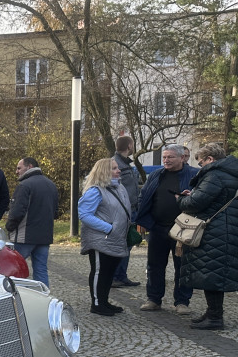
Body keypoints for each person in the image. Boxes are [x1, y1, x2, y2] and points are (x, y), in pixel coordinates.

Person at [176, 143, 238, 330]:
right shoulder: (229, 173)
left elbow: (196, 202)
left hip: (214, 232)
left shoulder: (215, 175)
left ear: (210, 159)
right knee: (213, 273)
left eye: (201, 162)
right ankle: (211, 313)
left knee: (210, 274)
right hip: (226, 229)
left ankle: (215, 317)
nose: (200, 165)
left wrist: (182, 200)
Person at [134, 144, 198, 314]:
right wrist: (147, 219)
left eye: (170, 157)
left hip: (183, 229)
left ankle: (182, 302)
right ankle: (154, 299)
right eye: (164, 157)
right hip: (158, 227)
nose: (166, 160)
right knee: (155, 265)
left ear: (182, 158)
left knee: (183, 266)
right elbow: (144, 196)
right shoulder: (156, 175)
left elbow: (201, 198)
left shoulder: (193, 175)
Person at [78, 157, 130, 316]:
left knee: (109, 272)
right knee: (100, 271)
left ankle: (104, 300)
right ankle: (97, 303)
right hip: (101, 238)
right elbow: (84, 214)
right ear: (104, 171)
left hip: (115, 238)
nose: (118, 170)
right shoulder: (95, 190)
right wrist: (108, 228)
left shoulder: (118, 188)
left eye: (117, 168)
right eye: (114, 168)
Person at [5, 157, 58, 286]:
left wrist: (9, 227)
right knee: (41, 270)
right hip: (44, 237)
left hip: (24, 237)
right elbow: (55, 212)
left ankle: (15, 298)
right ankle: (43, 298)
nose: (17, 171)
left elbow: (17, 212)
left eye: (19, 168)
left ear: (29, 167)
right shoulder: (51, 185)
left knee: (15, 269)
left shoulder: (24, 185)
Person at [111, 134, 142, 288]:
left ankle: (121, 275)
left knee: (127, 244)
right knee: (121, 244)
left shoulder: (125, 164)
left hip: (131, 209)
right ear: (130, 146)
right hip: (123, 210)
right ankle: (115, 276)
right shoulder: (115, 164)